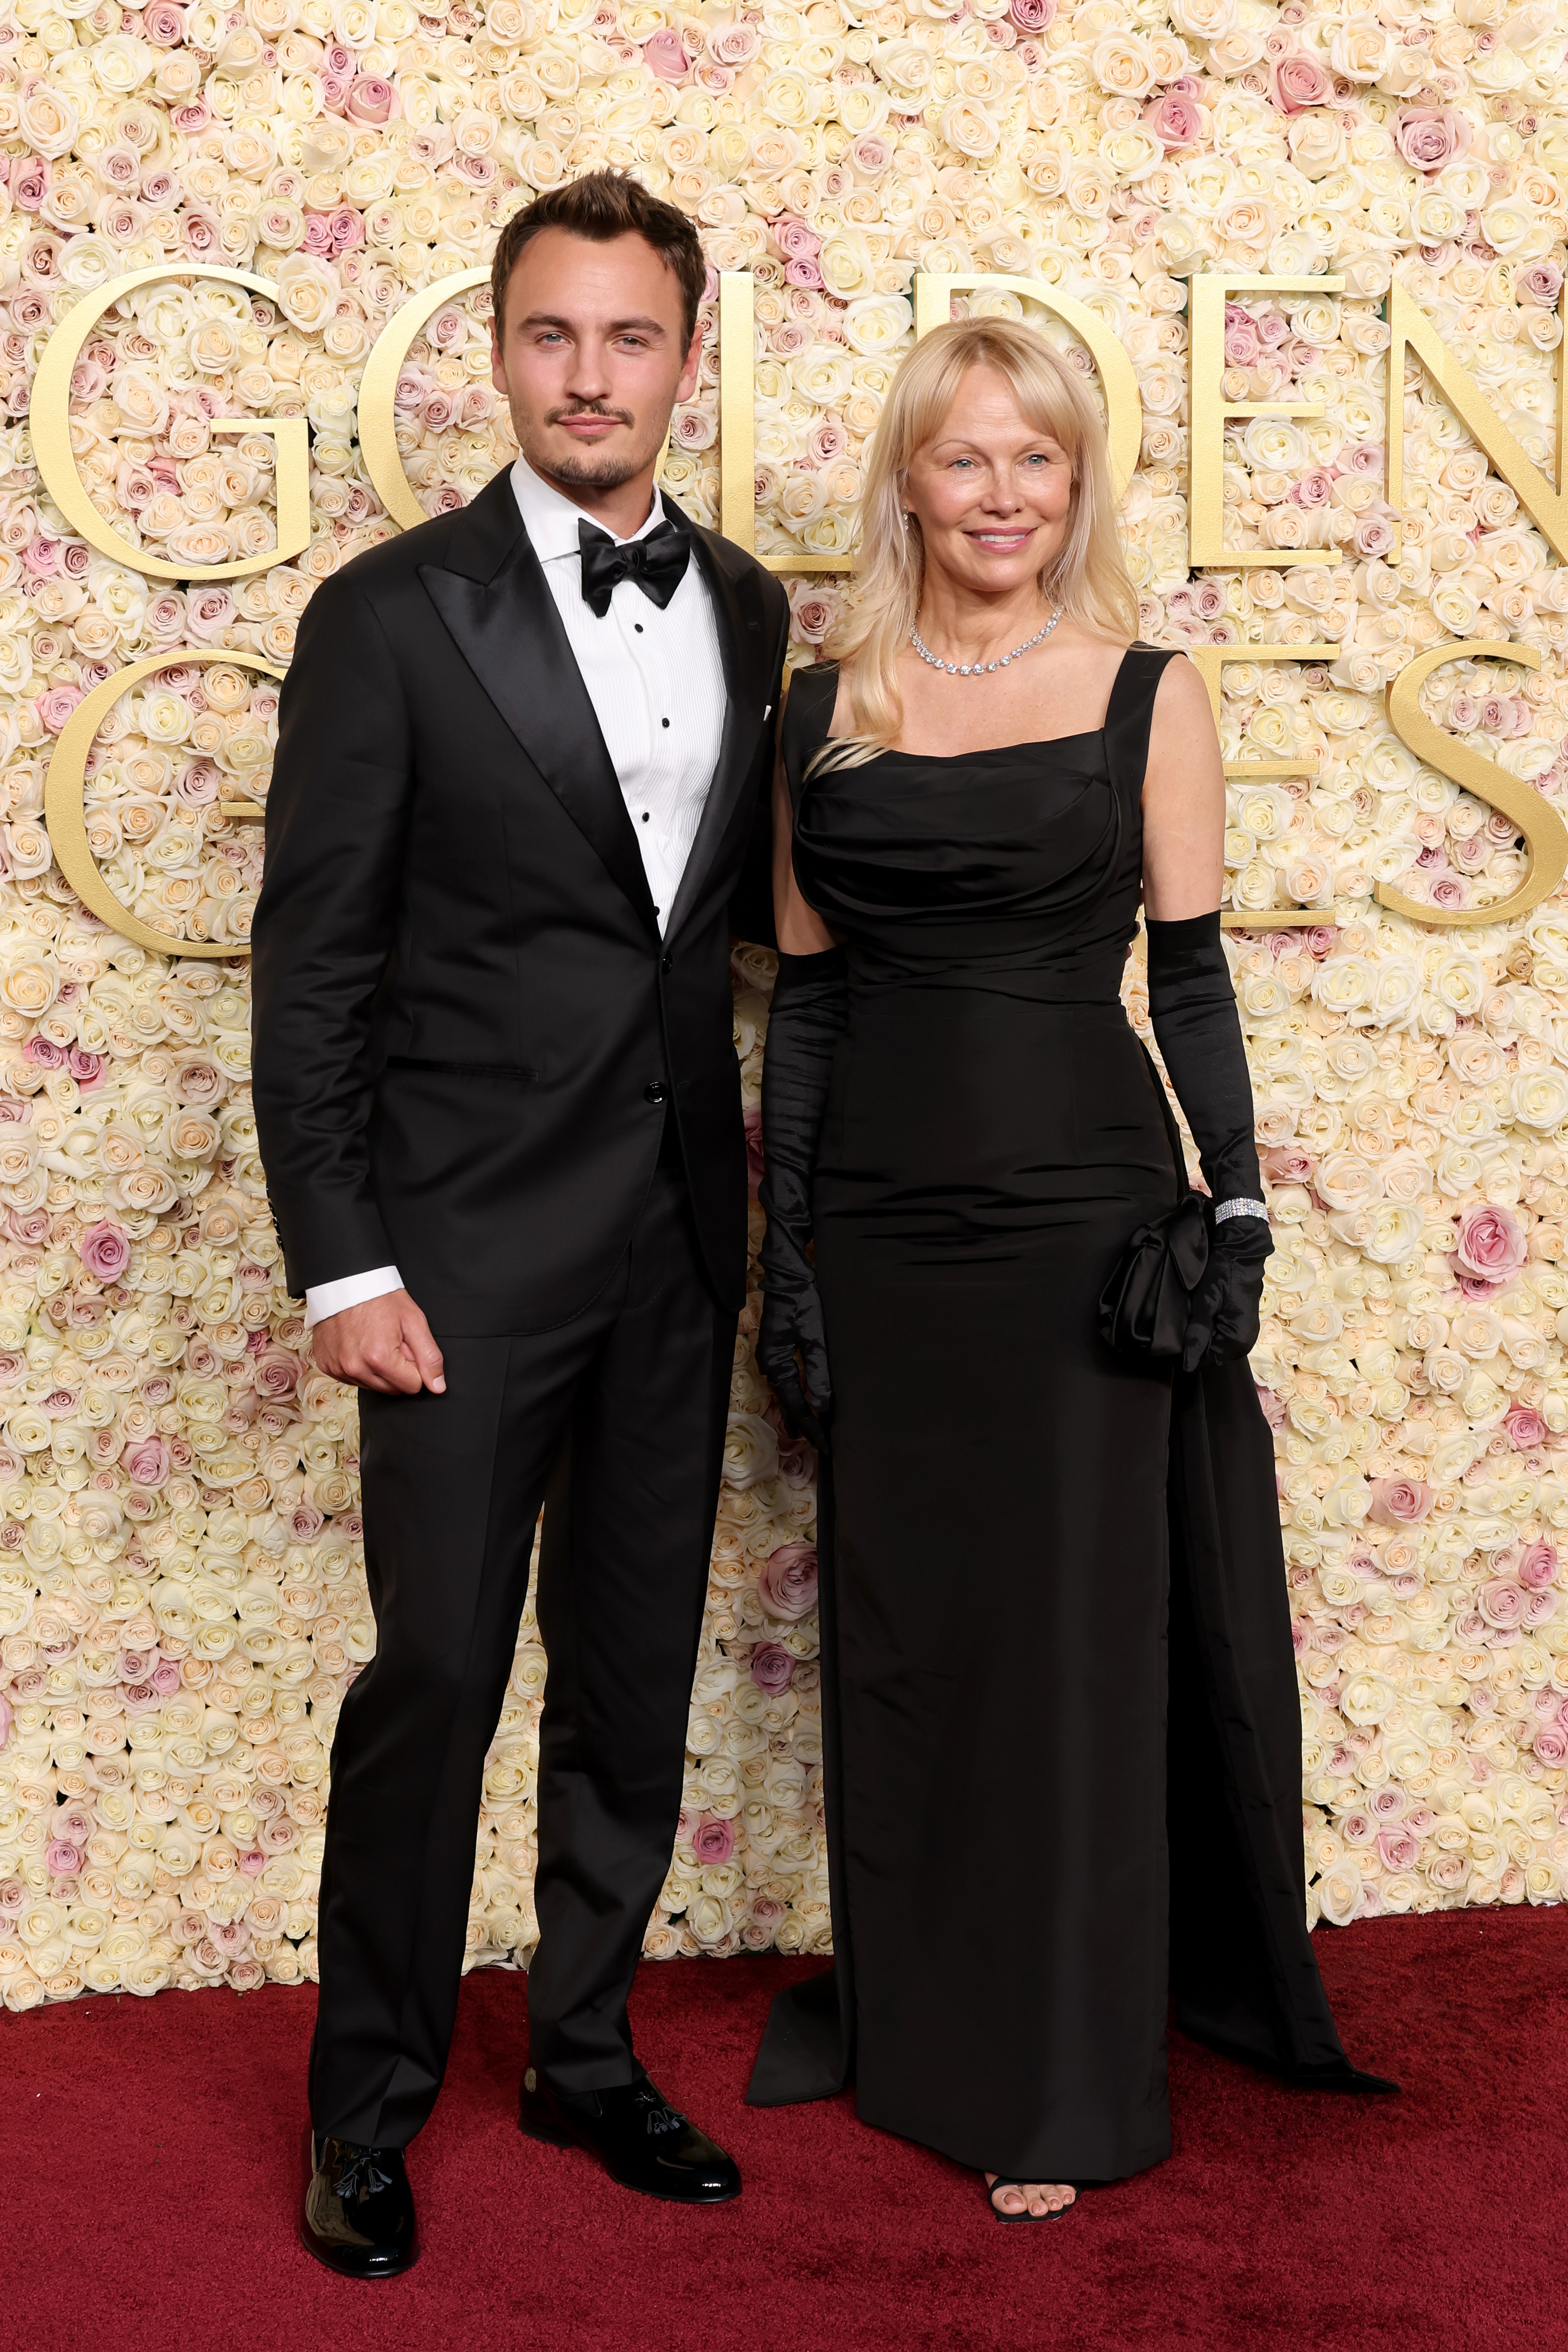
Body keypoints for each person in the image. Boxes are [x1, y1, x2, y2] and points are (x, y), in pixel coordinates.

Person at [745, 317, 1392, 2221]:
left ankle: (1064, 2081)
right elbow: (805, 1008)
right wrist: (790, 1259)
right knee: (916, 1640)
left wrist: (1244, 1200)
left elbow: (1186, 971)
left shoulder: (1144, 692)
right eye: (968, 459)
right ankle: (933, 2027)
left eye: (1039, 459)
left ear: (1079, 481)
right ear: (911, 482)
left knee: (1070, 1659)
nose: (1006, 494)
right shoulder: (827, 701)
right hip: (883, 1229)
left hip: (1080, 1227)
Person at [252, 172, 789, 2277]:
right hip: (457, 1254)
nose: (591, 375)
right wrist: (344, 1259)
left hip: (676, 1231)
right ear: (498, 349)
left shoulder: (744, 600)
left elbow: (728, 929)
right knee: (439, 1679)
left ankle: (584, 2046)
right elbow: (313, 970)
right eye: (554, 335)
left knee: (632, 1677)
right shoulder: (389, 615)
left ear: (686, 355)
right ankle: (361, 2104)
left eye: (631, 337)